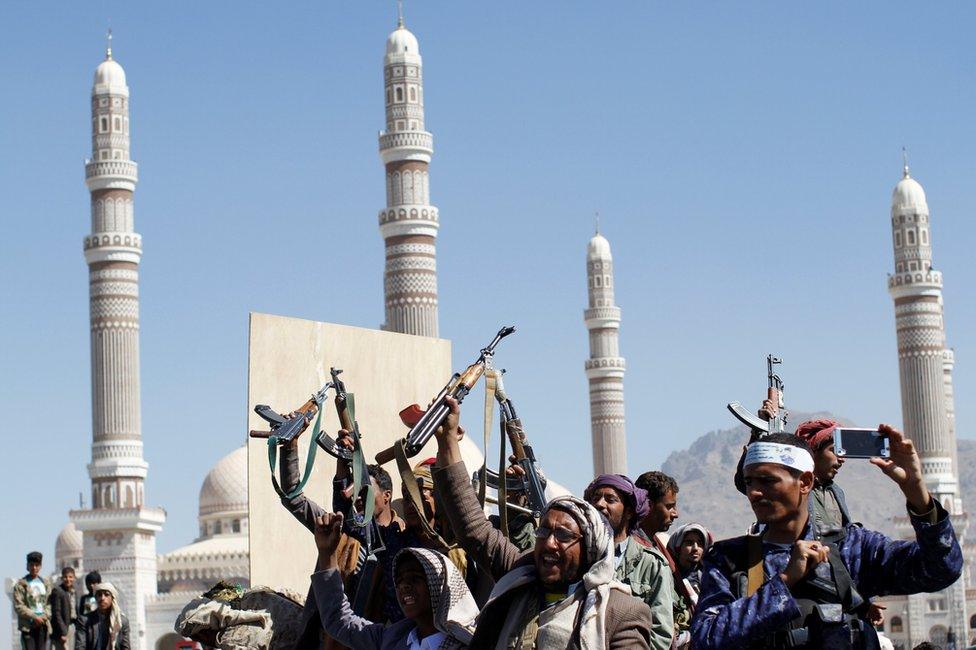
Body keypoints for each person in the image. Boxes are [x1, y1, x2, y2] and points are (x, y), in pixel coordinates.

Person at [692, 428, 963, 649]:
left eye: (767, 481)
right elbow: (706, 639)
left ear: (806, 482)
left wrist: (917, 493)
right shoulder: (729, 559)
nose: (754, 493)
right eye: (750, 482)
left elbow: (941, 569)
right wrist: (784, 582)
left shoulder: (851, 548)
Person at [433, 396, 652, 648]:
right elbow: (473, 528)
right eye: (544, 531)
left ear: (590, 549)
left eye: (564, 536)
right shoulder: (519, 577)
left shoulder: (619, 612)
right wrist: (447, 440)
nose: (549, 544)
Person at [311, 511, 478, 649]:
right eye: (398, 581)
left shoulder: (469, 644)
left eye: (415, 578)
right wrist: (327, 554)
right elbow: (338, 620)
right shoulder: (392, 639)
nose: (404, 586)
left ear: (440, 585)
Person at [584, 474, 674, 649]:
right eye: (596, 498)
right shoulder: (579, 556)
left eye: (610, 499)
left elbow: (661, 634)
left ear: (629, 512)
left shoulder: (652, 564)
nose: (600, 504)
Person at [665, 523, 712, 646]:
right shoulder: (668, 577)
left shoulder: (710, 579)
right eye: (689, 543)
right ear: (678, 547)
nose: (695, 548)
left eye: (700, 543)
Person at [13, 551, 51, 650]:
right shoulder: (21, 585)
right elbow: (19, 606)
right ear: (27, 566)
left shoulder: (46, 584)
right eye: (32, 565)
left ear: (40, 566)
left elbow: (50, 604)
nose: (34, 567)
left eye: (37, 565)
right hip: (28, 627)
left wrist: (43, 617)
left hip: (43, 626)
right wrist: (34, 617)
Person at [76, 582, 130, 650]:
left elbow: (126, 647)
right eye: (99, 595)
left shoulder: (122, 622)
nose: (102, 598)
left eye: (106, 595)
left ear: (112, 598)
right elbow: (80, 647)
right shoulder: (85, 621)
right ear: (95, 598)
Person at [635, 471, 680, 538]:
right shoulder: (633, 545)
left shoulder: (654, 542)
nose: (675, 514)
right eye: (669, 507)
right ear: (649, 506)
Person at [49, 567, 76, 650]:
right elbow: (56, 613)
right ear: (62, 578)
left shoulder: (73, 592)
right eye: (65, 577)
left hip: (72, 627)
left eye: (70, 577)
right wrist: (63, 632)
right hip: (61, 629)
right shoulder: (57, 591)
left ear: (74, 578)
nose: (68, 579)